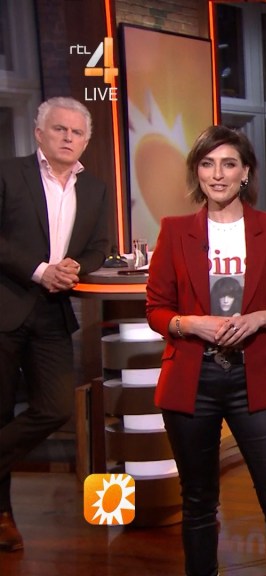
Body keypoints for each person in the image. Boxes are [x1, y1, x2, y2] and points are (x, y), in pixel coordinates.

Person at [146, 125, 266, 576]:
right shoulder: (175, 231)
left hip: (254, 377)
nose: (217, 174)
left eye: (228, 164)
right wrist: (190, 323)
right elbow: (156, 309)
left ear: (245, 173)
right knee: (198, 501)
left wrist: (259, 319)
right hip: (192, 380)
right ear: (197, 172)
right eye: (207, 164)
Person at [0, 97, 109, 552]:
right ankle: (3, 517)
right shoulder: (9, 173)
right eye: (60, 129)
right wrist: (40, 270)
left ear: (85, 141)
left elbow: (99, 246)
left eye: (76, 132)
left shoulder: (96, 188)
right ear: (39, 133)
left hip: (52, 313)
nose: (68, 137)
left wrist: (74, 268)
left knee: (57, 407)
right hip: (5, 307)